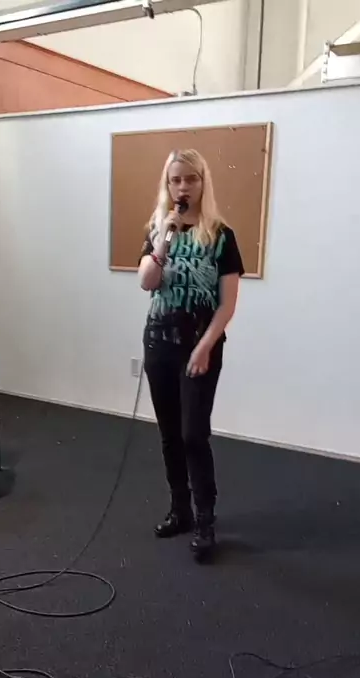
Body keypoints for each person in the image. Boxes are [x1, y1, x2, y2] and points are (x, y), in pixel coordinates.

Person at [138, 148, 244, 562]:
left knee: (193, 434)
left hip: (200, 345)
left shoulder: (221, 235)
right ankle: (179, 509)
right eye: (176, 180)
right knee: (169, 435)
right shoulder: (158, 228)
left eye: (191, 179)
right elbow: (147, 282)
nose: (183, 187)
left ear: (203, 182)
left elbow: (227, 305)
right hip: (159, 343)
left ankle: (205, 519)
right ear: (168, 185)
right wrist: (162, 240)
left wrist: (205, 347)